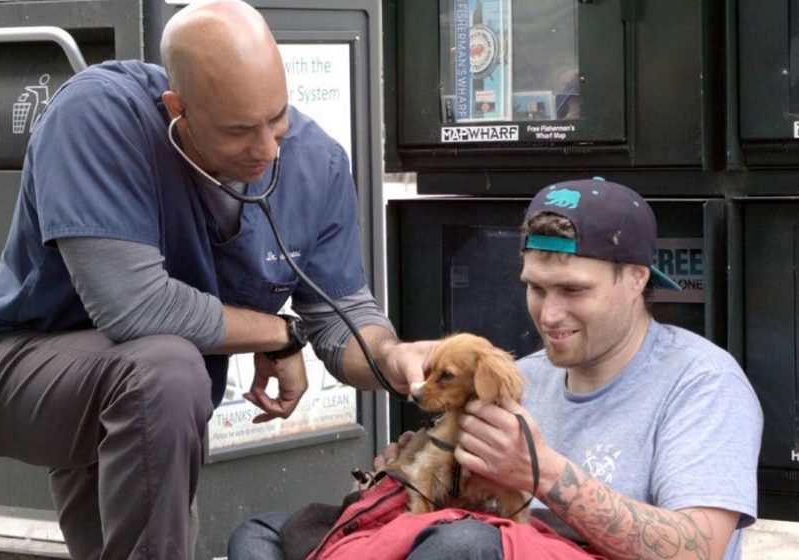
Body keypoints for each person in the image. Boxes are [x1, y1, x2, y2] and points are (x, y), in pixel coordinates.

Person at [0, 1, 433, 558]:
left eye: (277, 119)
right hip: (11, 366)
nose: (267, 150)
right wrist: (280, 334)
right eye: (238, 131)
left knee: (160, 392)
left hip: (137, 402)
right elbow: (135, 311)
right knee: (169, 371)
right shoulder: (98, 115)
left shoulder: (317, 164)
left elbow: (341, 319)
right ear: (177, 108)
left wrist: (391, 356)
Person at [229, 177, 763, 560]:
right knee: (263, 535)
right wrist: (415, 474)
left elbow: (700, 549)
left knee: (461, 545)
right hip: (488, 542)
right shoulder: (521, 374)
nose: (548, 314)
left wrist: (544, 474)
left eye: (574, 290)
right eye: (536, 287)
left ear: (637, 279)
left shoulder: (702, 384)